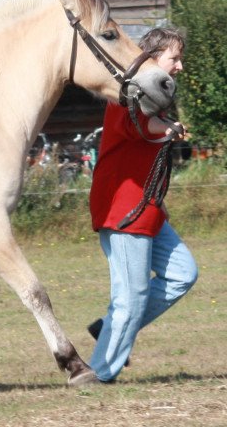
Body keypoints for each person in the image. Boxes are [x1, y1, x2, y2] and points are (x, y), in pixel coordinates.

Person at [87, 27, 198, 383]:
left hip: (148, 210)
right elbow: (141, 127)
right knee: (131, 296)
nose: (179, 66)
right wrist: (169, 130)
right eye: (174, 58)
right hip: (125, 211)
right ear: (151, 59)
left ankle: (108, 327)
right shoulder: (126, 94)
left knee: (183, 273)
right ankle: (100, 373)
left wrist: (170, 127)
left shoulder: (154, 99)